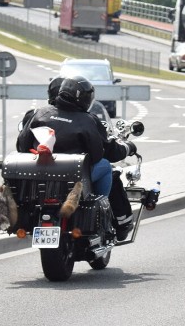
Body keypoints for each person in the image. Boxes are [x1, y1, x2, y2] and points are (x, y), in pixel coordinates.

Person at [16, 76, 135, 237]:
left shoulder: (40, 113)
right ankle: (102, 210)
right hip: (74, 177)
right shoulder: (88, 120)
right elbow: (98, 154)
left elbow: (22, 145)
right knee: (106, 166)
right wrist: (127, 148)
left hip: (39, 175)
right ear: (84, 99)